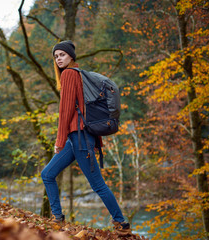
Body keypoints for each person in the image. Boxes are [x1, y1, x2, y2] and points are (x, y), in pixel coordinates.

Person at [41, 40, 131, 236]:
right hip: (77, 138)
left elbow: (65, 111)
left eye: (62, 55)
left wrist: (59, 141)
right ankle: (57, 217)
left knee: (98, 184)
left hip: (79, 137)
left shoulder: (69, 75)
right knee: (47, 174)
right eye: (56, 57)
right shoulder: (78, 75)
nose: (58, 59)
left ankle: (121, 223)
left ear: (71, 56)